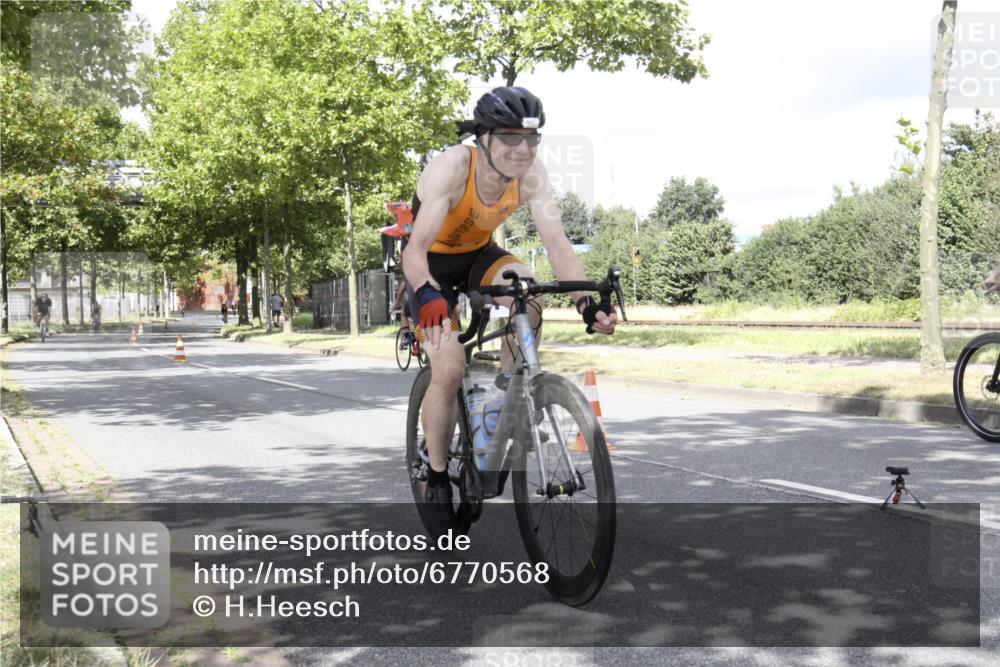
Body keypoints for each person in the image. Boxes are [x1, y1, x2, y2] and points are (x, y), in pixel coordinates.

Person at [401, 86, 617, 536]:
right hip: (430, 268)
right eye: (510, 138)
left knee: (529, 297)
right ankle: (436, 476)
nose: (522, 149)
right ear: (483, 137)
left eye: (531, 139)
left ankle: (502, 400)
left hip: (478, 256)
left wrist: (585, 302)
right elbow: (414, 249)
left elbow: (556, 242)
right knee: (450, 368)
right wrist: (426, 293)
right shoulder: (453, 167)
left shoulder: (532, 174)